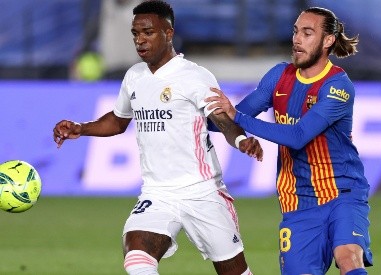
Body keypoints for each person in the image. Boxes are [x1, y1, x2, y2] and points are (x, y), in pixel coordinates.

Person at [53, 1, 262, 275]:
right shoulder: (134, 77)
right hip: (158, 192)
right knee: (137, 256)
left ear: (169, 32)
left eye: (148, 32)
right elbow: (118, 121)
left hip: (202, 191)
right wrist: (82, 128)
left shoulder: (195, 76)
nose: (139, 40)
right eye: (135, 33)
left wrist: (241, 141)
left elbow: (222, 120)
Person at [206, 7, 373, 275]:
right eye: (296, 31)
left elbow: (297, 136)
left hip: (342, 193)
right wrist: (192, 116)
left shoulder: (338, 86)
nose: (297, 39)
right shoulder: (278, 76)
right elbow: (228, 120)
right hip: (298, 203)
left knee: (348, 256)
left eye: (308, 33)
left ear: (327, 40)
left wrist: (236, 116)